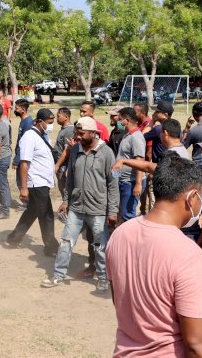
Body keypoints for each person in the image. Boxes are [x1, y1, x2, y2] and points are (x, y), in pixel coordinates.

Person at [106, 153, 202, 357]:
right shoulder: (188, 254)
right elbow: (198, 344)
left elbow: (119, 301)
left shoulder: (120, 233)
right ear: (192, 197)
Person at [42, 116, 118, 290]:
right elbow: (70, 180)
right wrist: (66, 200)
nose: (78, 136)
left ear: (93, 133)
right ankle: (58, 275)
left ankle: (103, 278)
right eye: (77, 132)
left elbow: (112, 184)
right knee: (66, 242)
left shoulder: (106, 153)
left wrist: (112, 211)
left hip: (98, 209)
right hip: (76, 208)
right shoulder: (75, 149)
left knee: (99, 245)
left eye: (82, 133)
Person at [6, 109, 59, 256]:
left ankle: (14, 238)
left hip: (44, 181)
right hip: (36, 182)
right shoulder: (29, 137)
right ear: (39, 121)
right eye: (49, 123)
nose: (51, 125)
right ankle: (51, 247)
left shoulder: (44, 136)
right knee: (47, 215)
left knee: (33, 211)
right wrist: (24, 187)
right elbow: (24, 163)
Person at [115, 107, 145, 222]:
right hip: (124, 180)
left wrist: (138, 184)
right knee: (122, 213)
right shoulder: (126, 135)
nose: (118, 121)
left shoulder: (136, 137)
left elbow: (140, 163)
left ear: (126, 120)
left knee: (127, 215)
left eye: (120, 119)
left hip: (131, 182)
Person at [12, 98, 35, 194]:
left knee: (22, 182)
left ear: (23, 110)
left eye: (17, 108)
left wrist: (16, 160)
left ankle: (28, 204)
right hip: (21, 155)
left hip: (23, 157)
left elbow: (24, 144)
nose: (15, 110)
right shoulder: (23, 121)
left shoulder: (28, 123)